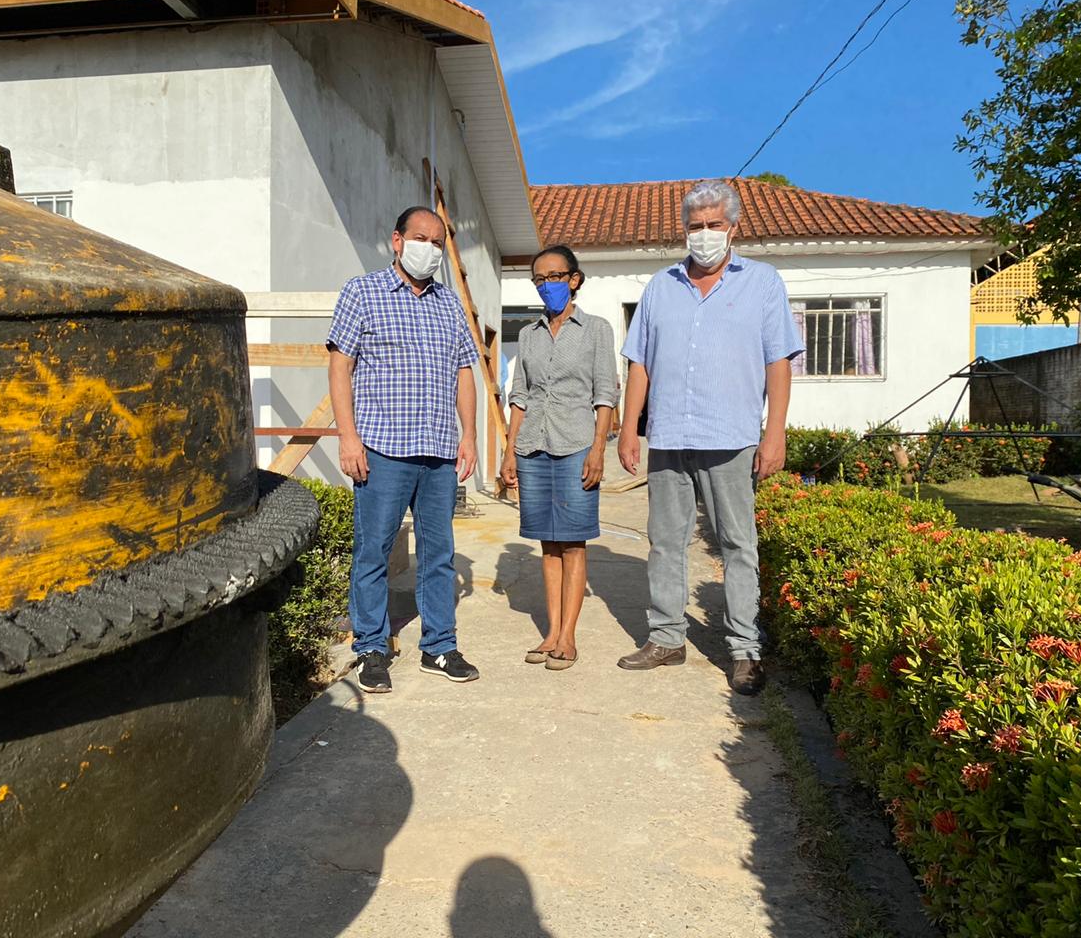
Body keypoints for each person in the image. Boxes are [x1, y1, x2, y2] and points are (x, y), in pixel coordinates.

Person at [616, 179, 804, 695]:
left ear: (733, 228)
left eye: (713, 225)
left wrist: (775, 433)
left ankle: (745, 650)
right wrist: (629, 429)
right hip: (670, 436)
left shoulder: (762, 283)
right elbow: (639, 364)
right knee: (665, 543)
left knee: (738, 544)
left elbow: (778, 361)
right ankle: (667, 638)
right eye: (694, 226)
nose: (703, 235)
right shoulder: (660, 287)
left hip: (732, 436)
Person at [326, 205, 481, 694]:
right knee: (373, 551)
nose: (429, 250)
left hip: (437, 450)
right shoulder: (362, 293)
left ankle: (439, 646)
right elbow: (339, 368)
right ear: (397, 240)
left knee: (439, 554)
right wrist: (348, 437)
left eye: (438, 243)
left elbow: (463, 372)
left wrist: (470, 435)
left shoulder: (449, 303)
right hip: (382, 449)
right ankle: (372, 647)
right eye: (421, 238)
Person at [500, 245, 618, 671]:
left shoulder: (597, 330)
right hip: (533, 446)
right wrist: (510, 451)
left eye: (554, 276)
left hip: (575, 446)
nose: (546, 284)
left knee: (573, 540)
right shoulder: (529, 334)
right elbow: (520, 397)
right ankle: (550, 631)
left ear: (574, 279)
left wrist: (599, 449)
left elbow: (605, 393)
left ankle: (569, 635)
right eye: (539, 278)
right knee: (547, 543)